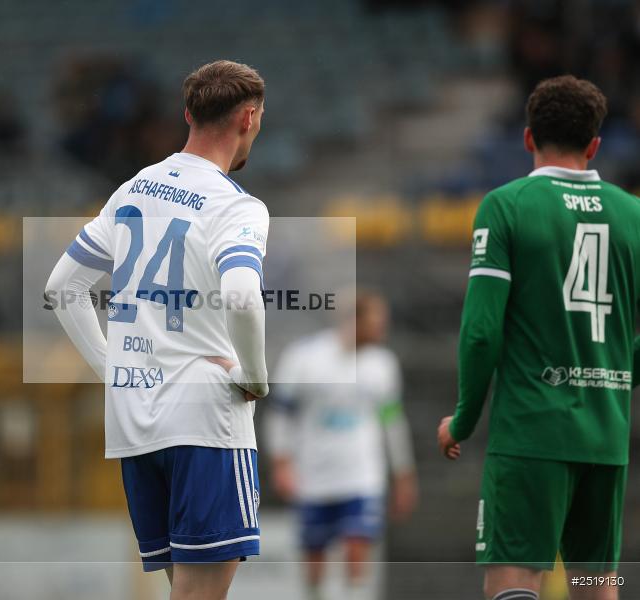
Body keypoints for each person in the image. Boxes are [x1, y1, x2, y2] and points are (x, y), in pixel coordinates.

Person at [46, 59, 268, 600]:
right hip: (203, 421)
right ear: (249, 118)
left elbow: (62, 287)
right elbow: (241, 294)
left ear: (187, 113)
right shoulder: (235, 206)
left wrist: (110, 369)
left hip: (135, 424)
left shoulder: (133, 188)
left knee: (185, 590)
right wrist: (256, 378)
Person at [437, 75, 637, 600]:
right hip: (605, 438)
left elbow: (481, 332)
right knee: (595, 586)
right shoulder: (634, 216)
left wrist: (463, 418)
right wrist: (614, 378)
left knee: (515, 578)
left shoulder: (506, 205)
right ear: (594, 145)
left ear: (528, 138)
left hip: (531, 434)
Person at [268, 291, 418, 600]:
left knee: (357, 545)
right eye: (376, 322)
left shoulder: (382, 365)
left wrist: (404, 473)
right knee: (314, 556)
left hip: (362, 476)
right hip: (314, 475)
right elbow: (281, 413)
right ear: (354, 320)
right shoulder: (304, 357)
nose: (382, 330)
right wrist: (281, 461)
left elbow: (392, 422)